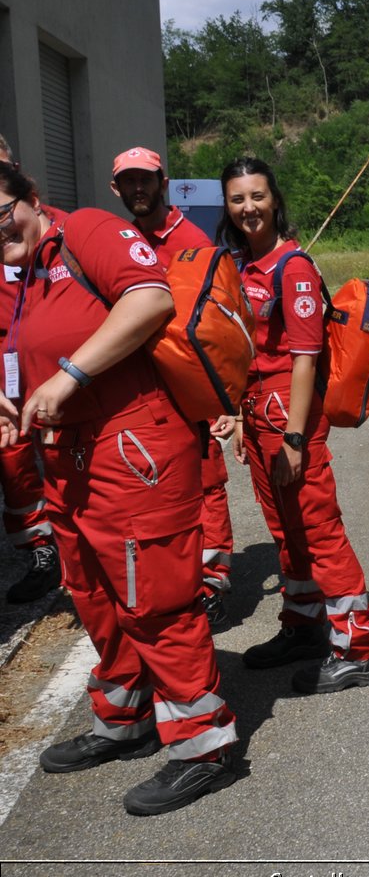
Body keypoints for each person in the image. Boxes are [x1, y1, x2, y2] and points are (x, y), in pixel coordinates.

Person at [0, 159, 238, 815]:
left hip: (131, 443)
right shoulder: (17, 274)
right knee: (94, 592)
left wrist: (70, 373)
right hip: (69, 454)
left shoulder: (90, 232)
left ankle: (202, 741)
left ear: (31, 197)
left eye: (1, 213)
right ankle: (124, 714)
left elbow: (151, 296)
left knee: (152, 594)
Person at [220, 156, 369, 694]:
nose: (249, 207)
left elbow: (306, 359)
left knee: (318, 531)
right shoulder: (243, 264)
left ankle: (358, 649)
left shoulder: (293, 268)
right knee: (286, 532)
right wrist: (242, 415)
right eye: (238, 198)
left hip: (292, 419)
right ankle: (304, 625)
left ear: (275, 199)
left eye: (258, 196)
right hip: (259, 415)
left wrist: (293, 437)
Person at [110, 146, 237, 629]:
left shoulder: (190, 237)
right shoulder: (119, 237)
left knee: (206, 481)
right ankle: (174, 581)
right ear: (116, 189)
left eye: (146, 180)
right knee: (155, 486)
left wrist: (227, 395)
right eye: (129, 182)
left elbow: (218, 320)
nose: (138, 189)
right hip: (139, 385)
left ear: (164, 182)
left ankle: (211, 583)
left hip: (185, 379)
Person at [0, 134, 60, 604]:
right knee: (14, 458)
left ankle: (75, 538)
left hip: (50, 350)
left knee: (61, 444)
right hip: (6, 360)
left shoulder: (50, 225)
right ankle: (41, 551)